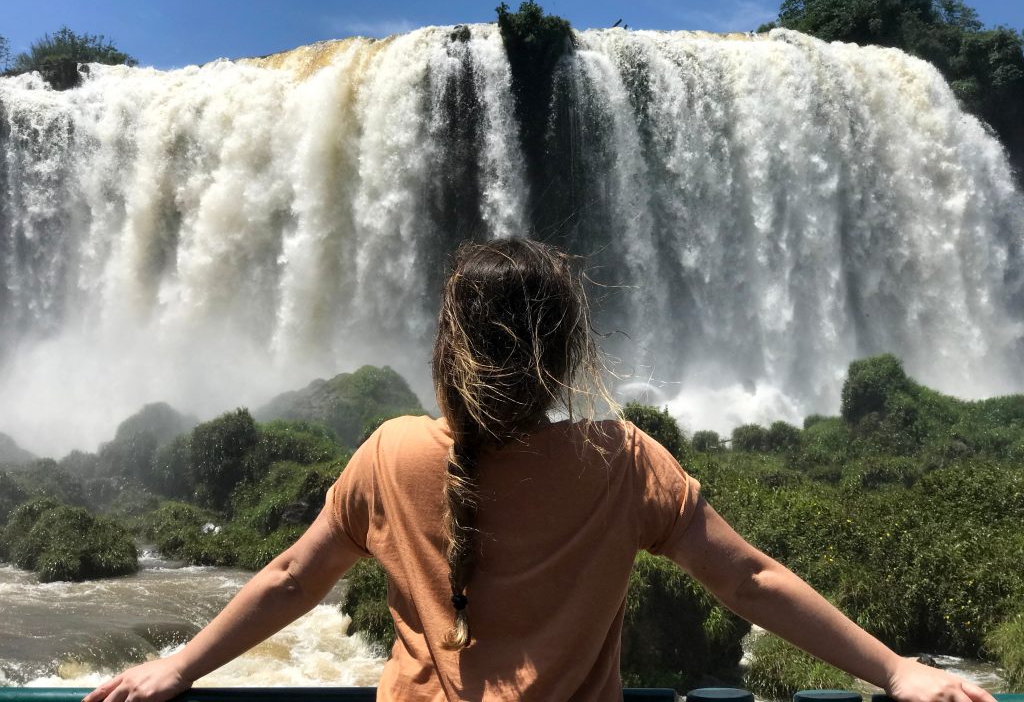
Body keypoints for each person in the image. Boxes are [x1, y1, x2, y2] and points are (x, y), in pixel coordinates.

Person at [85, 239, 997, 702]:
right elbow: (748, 577)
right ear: (567, 353)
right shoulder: (622, 458)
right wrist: (897, 672)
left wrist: (180, 667)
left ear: (449, 345)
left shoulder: (389, 453)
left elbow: (290, 577)